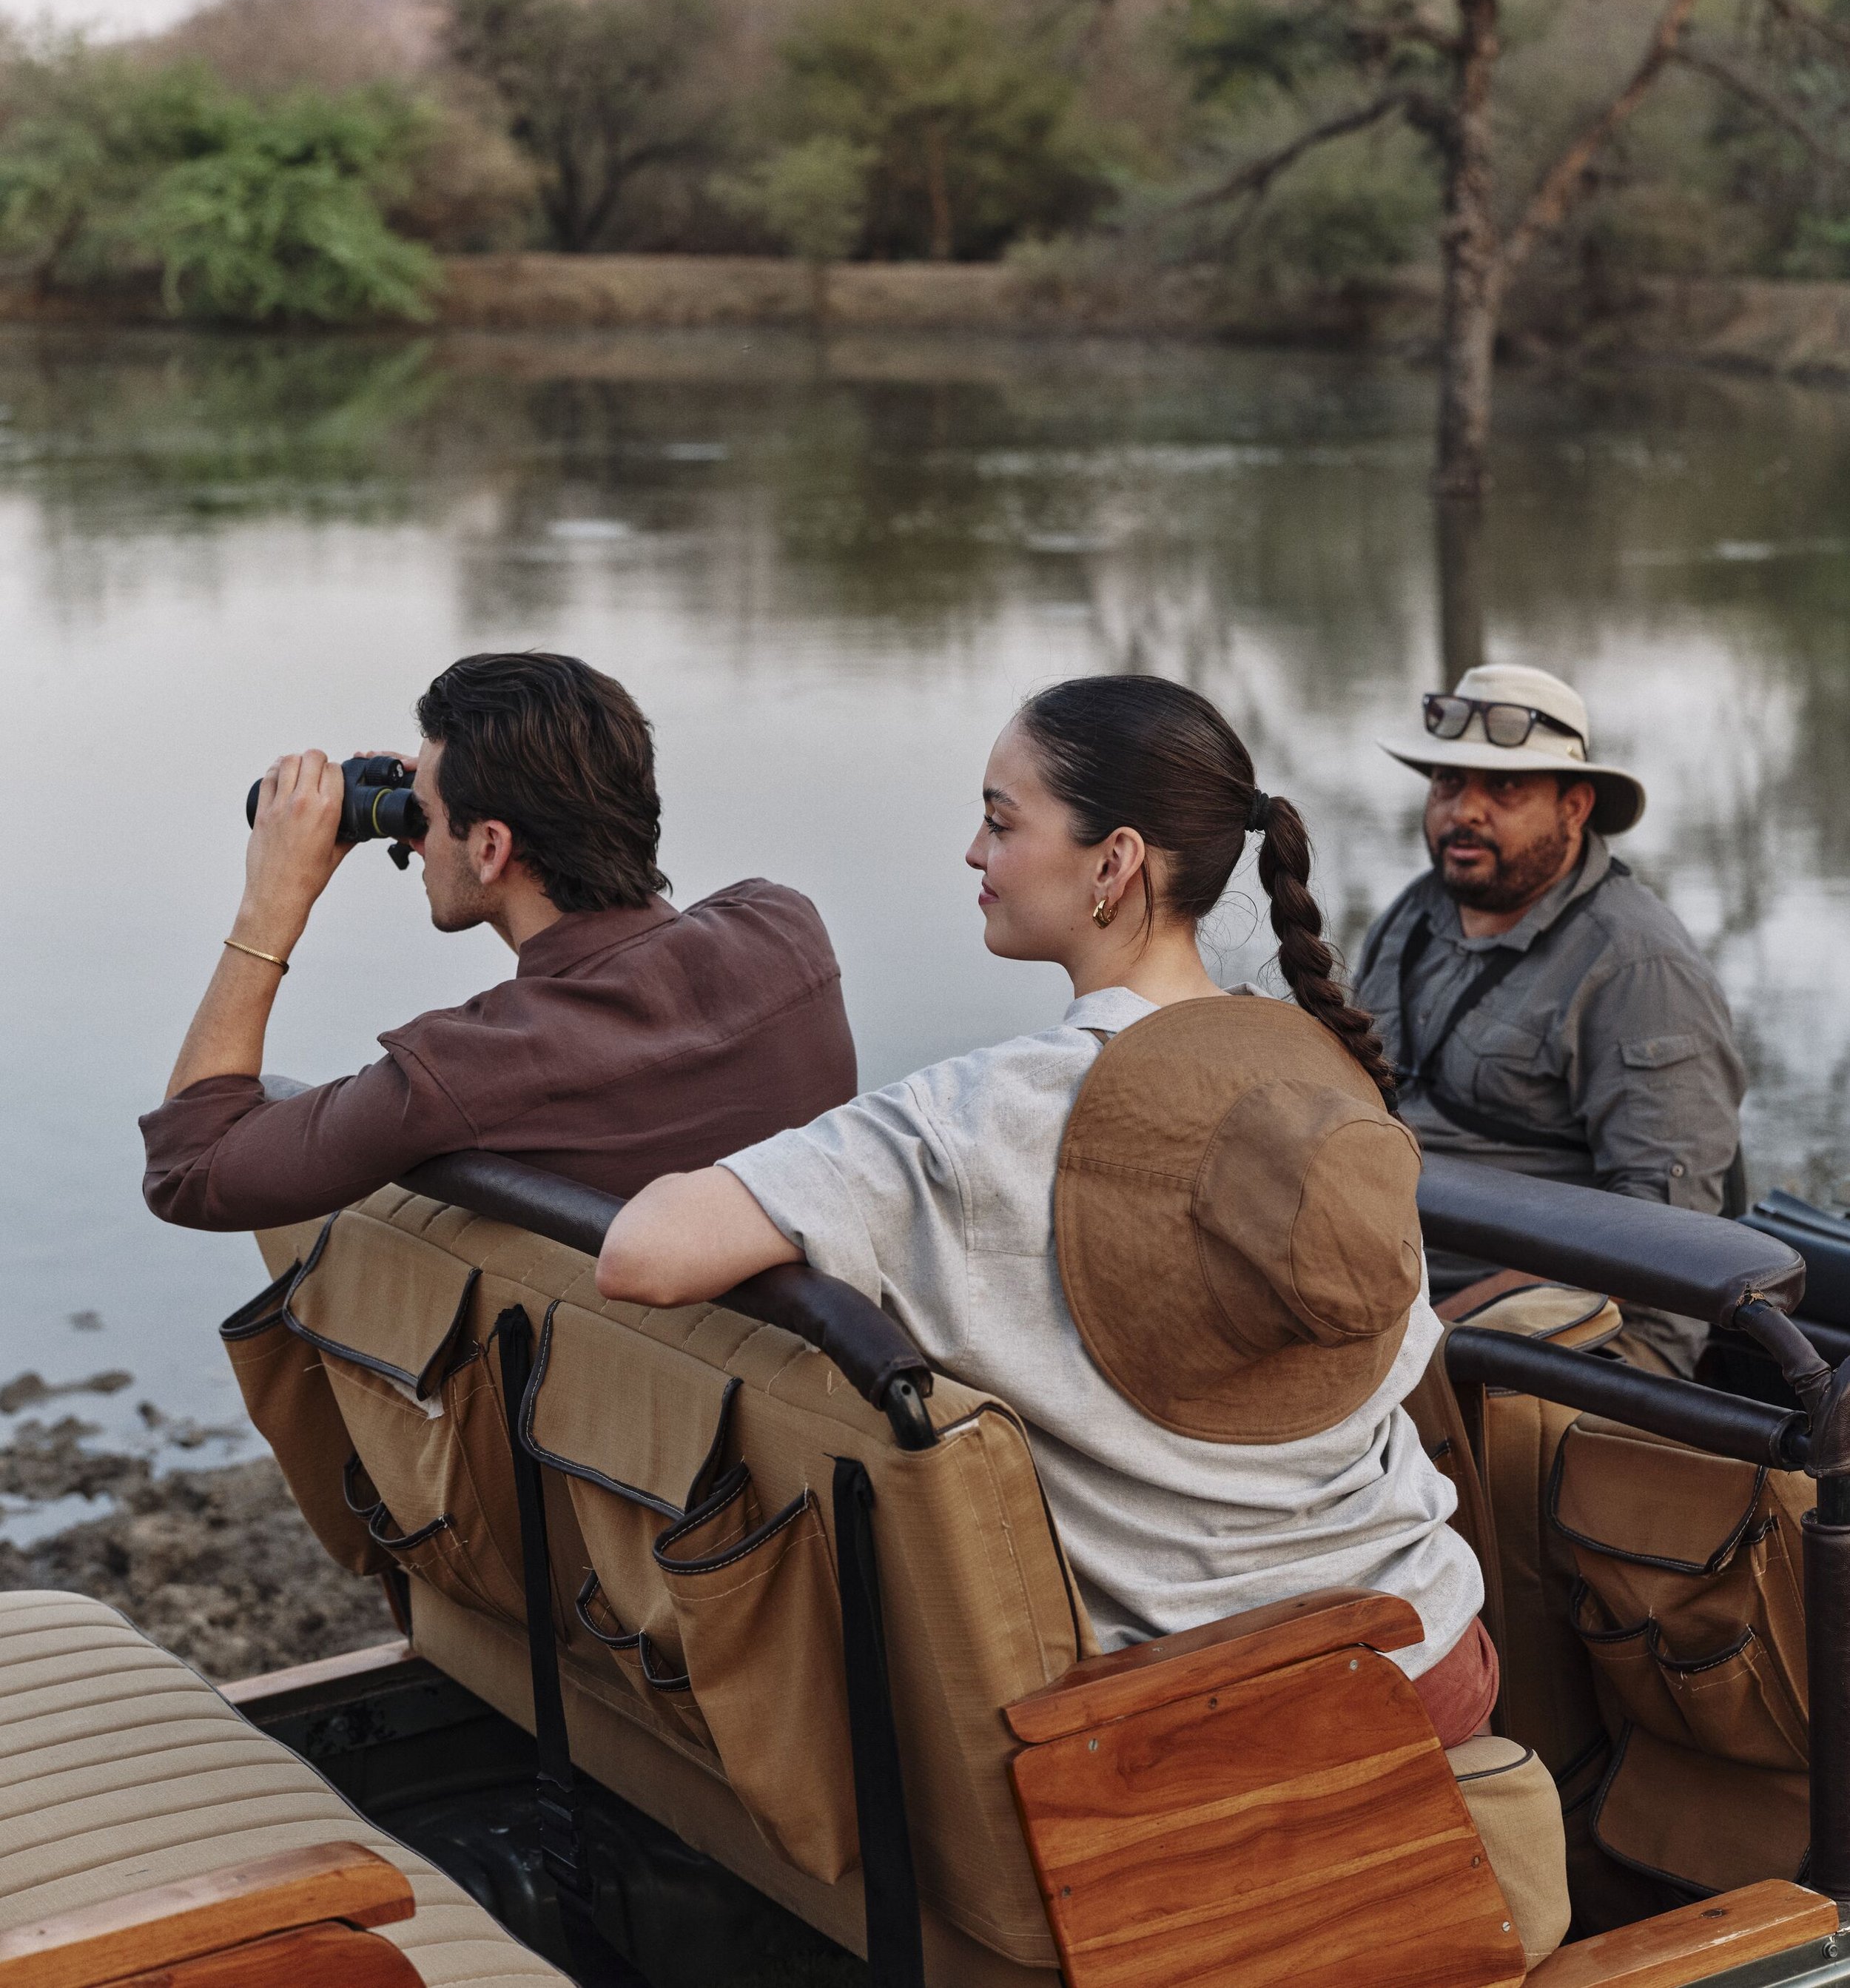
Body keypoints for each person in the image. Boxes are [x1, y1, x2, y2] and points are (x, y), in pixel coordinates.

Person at [594, 674, 1494, 1739]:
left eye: (998, 820)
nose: (974, 854)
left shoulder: (989, 1110)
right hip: (1436, 1648)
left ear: (1114, 862)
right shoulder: (1326, 1079)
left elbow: (643, 1252)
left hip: (1220, 1711)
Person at [141, 651, 856, 1229]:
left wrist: (271, 904)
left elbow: (187, 1168)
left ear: (490, 847)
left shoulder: (472, 1070)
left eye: (424, 815)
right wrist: (445, 799)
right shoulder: (785, 928)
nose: (415, 836)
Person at [1356, 662, 1745, 1376]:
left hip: (1579, 1330)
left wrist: (1441, 1331)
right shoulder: (1414, 913)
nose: (1464, 811)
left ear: (1575, 807)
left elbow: (1668, 1243)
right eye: (1448, 783)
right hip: (1384, 1288)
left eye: (1503, 787)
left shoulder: (1639, 969)